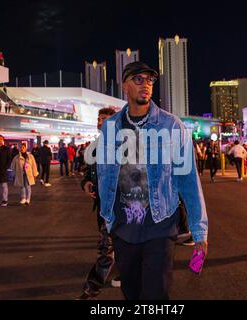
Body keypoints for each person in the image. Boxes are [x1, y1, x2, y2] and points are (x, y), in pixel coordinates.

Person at [96, 61, 208, 300]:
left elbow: (189, 181)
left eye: (149, 80)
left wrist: (199, 231)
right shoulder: (110, 127)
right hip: (123, 230)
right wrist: (108, 219)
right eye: (138, 79)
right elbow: (104, 175)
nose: (145, 85)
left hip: (159, 225)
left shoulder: (172, 126)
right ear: (125, 85)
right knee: (132, 294)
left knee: (156, 295)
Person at [78, 107, 118, 300]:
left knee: (106, 247)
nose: (100, 122)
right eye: (99, 118)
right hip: (102, 205)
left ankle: (91, 288)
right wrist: (85, 182)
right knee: (118, 245)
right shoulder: (96, 145)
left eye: (105, 118)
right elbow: (88, 171)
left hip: (120, 206)